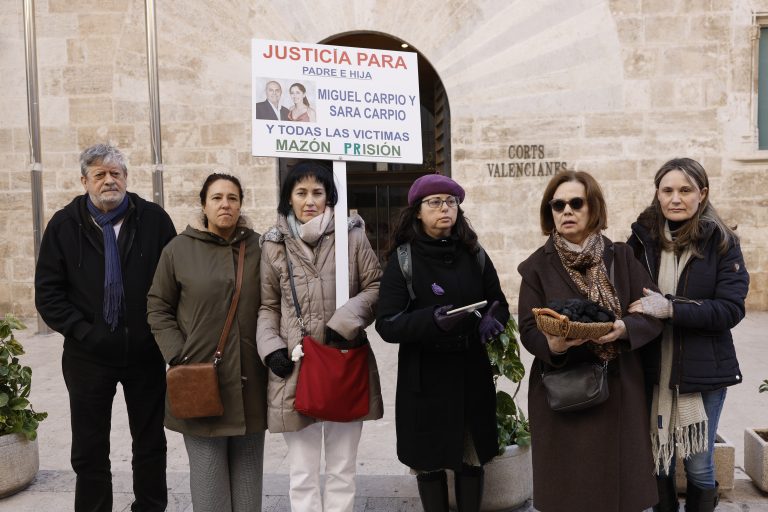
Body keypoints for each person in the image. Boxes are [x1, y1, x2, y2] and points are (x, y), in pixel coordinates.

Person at [34, 143, 175, 512]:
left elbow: (175, 282)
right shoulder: (65, 225)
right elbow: (48, 294)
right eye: (100, 174)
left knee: (149, 443)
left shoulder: (154, 220)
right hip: (87, 357)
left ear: (126, 178)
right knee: (90, 446)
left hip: (144, 354)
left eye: (116, 173)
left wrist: (159, 334)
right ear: (85, 181)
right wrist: (84, 331)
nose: (109, 180)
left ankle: (150, 507)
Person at [516, 170, 664, 512]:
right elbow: (528, 327)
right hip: (564, 389)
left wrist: (624, 328)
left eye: (575, 203)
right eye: (558, 204)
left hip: (618, 389)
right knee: (571, 493)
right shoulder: (537, 267)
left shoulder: (622, 257)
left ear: (592, 207)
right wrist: (552, 345)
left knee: (619, 495)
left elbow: (652, 311)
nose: (566, 211)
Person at [375, 174, 510, 512]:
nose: (444, 208)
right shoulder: (403, 260)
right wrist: (431, 321)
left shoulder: (474, 253)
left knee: (471, 459)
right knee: (429, 461)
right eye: (434, 202)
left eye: (450, 202)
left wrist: (494, 318)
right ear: (417, 212)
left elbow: (498, 301)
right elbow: (387, 324)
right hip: (425, 379)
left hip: (470, 375)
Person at [257, 161, 382, 512]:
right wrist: (271, 349)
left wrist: (346, 321)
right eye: (301, 193)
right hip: (296, 369)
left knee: (342, 470)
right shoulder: (274, 244)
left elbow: (375, 287)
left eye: (317, 192)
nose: (309, 200)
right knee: (302, 473)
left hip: (344, 362)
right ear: (289, 198)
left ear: (330, 196)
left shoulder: (352, 236)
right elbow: (267, 305)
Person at [627, 158, 749, 512]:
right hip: (650, 367)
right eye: (667, 190)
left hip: (703, 372)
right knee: (657, 456)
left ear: (702, 194)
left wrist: (671, 309)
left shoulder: (722, 244)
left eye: (685, 190)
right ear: (657, 194)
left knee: (698, 462)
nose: (675, 198)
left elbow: (730, 309)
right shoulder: (639, 240)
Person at [147, 173, 268, 512]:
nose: (225, 204)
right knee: (209, 480)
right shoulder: (178, 250)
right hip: (199, 380)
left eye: (232, 197)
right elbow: (157, 307)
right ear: (204, 205)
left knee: (248, 482)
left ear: (241, 204)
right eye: (216, 198)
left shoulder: (260, 247)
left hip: (249, 382)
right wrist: (177, 355)